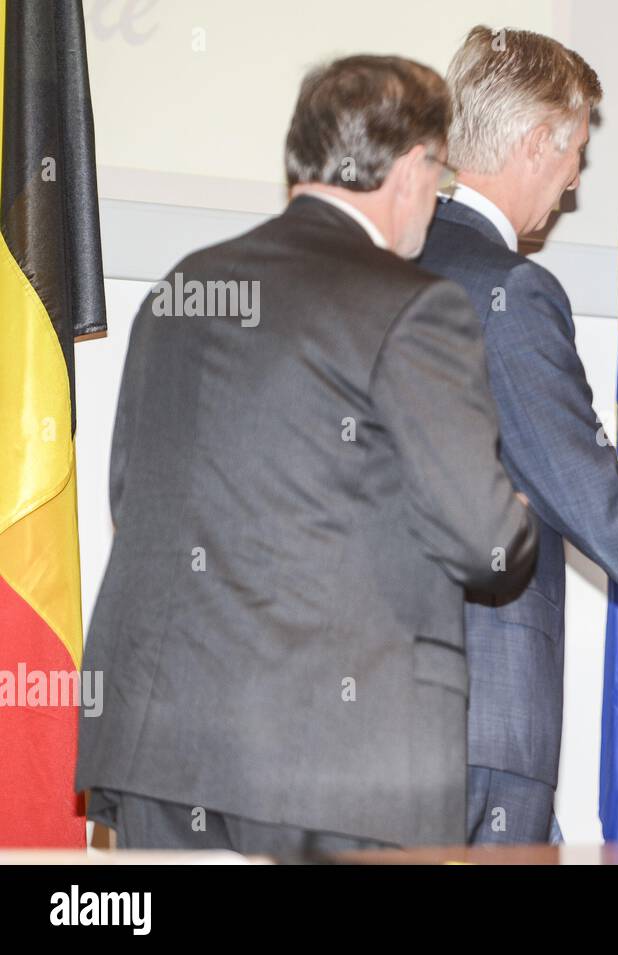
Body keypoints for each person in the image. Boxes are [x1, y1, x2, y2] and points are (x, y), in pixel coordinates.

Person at [75, 55, 538, 854]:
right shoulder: (415, 306)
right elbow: (484, 540)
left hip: (160, 742)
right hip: (336, 760)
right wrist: (516, 513)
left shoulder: (180, 288)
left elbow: (131, 497)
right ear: (409, 168)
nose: (441, 196)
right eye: (442, 173)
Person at [415, 26, 618, 844]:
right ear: (533, 142)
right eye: (575, 156)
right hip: (476, 712)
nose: (571, 184)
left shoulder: (377, 263)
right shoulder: (507, 288)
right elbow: (574, 472)